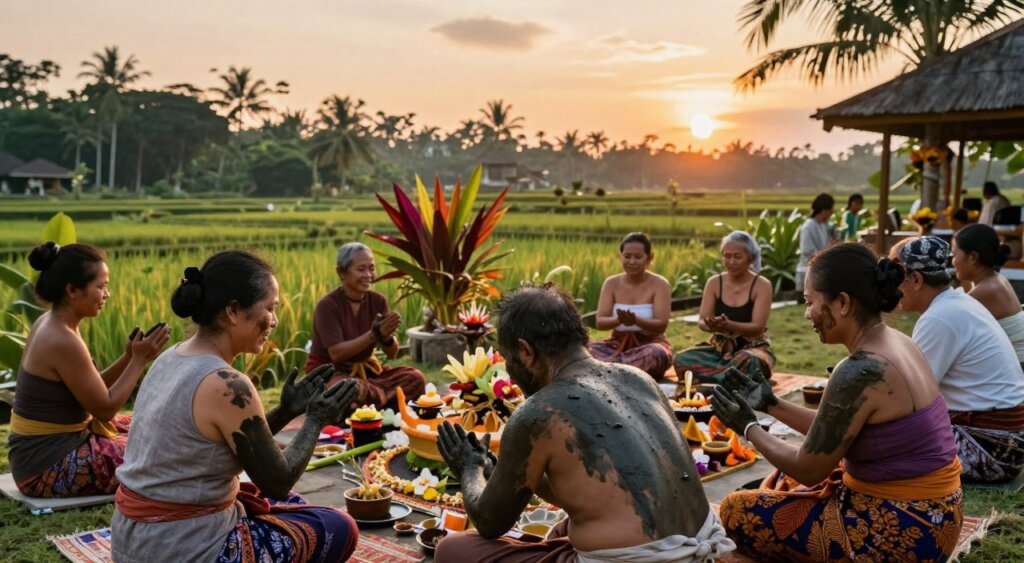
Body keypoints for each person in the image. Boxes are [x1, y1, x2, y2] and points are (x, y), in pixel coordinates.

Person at [434, 285, 735, 563]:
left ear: (526, 352)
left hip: (652, 558)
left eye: (509, 359)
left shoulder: (538, 412)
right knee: (563, 529)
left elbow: (489, 522)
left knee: (452, 549)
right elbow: (594, 490)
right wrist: (500, 470)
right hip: (700, 550)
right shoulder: (639, 379)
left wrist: (470, 467)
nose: (510, 372)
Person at [715, 243, 963, 561]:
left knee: (736, 511)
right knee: (777, 481)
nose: (808, 314)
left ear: (842, 302)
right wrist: (772, 403)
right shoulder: (900, 341)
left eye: (810, 302)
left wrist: (748, 427)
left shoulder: (861, 369)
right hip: (941, 514)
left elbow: (809, 469)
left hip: (904, 531)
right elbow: (832, 432)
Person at [112, 251, 360, 562]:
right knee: (338, 526)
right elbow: (277, 482)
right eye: (269, 309)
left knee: (292, 506)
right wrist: (315, 420)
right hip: (182, 547)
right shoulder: (227, 383)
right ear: (232, 311)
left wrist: (286, 410)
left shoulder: (171, 356)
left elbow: (230, 445)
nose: (274, 320)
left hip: (131, 540)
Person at [8, 242, 169, 498]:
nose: (107, 295)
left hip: (44, 453)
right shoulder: (62, 339)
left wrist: (128, 356)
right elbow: (104, 409)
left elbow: (92, 391)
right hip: (44, 468)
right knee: (160, 450)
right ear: (72, 289)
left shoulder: (55, 322)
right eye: (101, 287)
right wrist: (139, 360)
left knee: (145, 426)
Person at [890, 236, 1024, 483]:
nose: (891, 289)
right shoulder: (956, 303)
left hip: (993, 450)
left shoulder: (939, 317)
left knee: (879, 440)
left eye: (895, 279)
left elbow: (911, 396)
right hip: (1007, 442)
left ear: (916, 280)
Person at [306, 242, 425, 412]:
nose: (369, 275)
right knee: (343, 389)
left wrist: (386, 338)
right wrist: (373, 335)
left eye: (371, 268)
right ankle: (382, 404)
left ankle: (366, 405)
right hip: (332, 374)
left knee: (415, 378)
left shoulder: (378, 301)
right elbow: (336, 354)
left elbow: (392, 353)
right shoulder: (327, 306)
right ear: (341, 272)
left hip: (368, 377)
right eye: (361, 269)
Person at [674, 231, 774, 385]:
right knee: (682, 360)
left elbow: (757, 328)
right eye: (727, 256)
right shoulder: (714, 283)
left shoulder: (762, 285)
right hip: (719, 351)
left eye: (737, 257)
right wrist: (710, 324)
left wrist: (729, 325)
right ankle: (729, 378)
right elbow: (702, 320)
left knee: (750, 361)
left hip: (753, 349)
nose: (731, 261)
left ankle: (715, 377)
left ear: (751, 258)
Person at [589, 232, 673, 380]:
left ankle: (608, 370)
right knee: (585, 350)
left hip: (648, 345)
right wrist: (619, 320)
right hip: (617, 345)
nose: (632, 261)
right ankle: (619, 370)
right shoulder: (611, 283)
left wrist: (635, 320)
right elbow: (600, 322)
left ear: (649, 257)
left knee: (657, 353)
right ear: (620, 256)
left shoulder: (660, 284)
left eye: (638, 257)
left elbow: (661, 325)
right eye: (627, 256)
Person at [952, 224, 1024, 367]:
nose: (952, 262)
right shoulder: (995, 279)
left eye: (954, 255)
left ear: (973, 257)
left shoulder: (987, 290)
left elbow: (949, 323)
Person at [795, 193, 835, 292]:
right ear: (824, 210)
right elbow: (808, 252)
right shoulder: (808, 227)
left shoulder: (823, 226)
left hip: (819, 272)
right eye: (830, 210)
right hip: (807, 273)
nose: (831, 213)